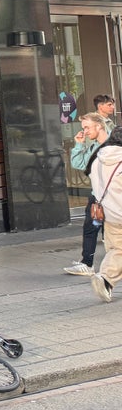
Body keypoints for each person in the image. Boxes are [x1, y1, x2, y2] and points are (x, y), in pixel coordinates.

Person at [65, 112, 111, 276]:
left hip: (113, 195)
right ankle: (87, 263)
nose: (84, 131)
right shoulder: (93, 146)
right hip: (97, 196)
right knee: (91, 227)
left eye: (87, 127)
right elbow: (78, 163)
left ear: (99, 126)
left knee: (110, 231)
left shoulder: (114, 144)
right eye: (83, 128)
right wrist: (79, 144)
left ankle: (90, 264)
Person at [88, 127, 122, 303]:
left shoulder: (97, 160)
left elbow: (95, 188)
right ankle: (106, 278)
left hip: (109, 215)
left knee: (117, 249)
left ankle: (106, 279)